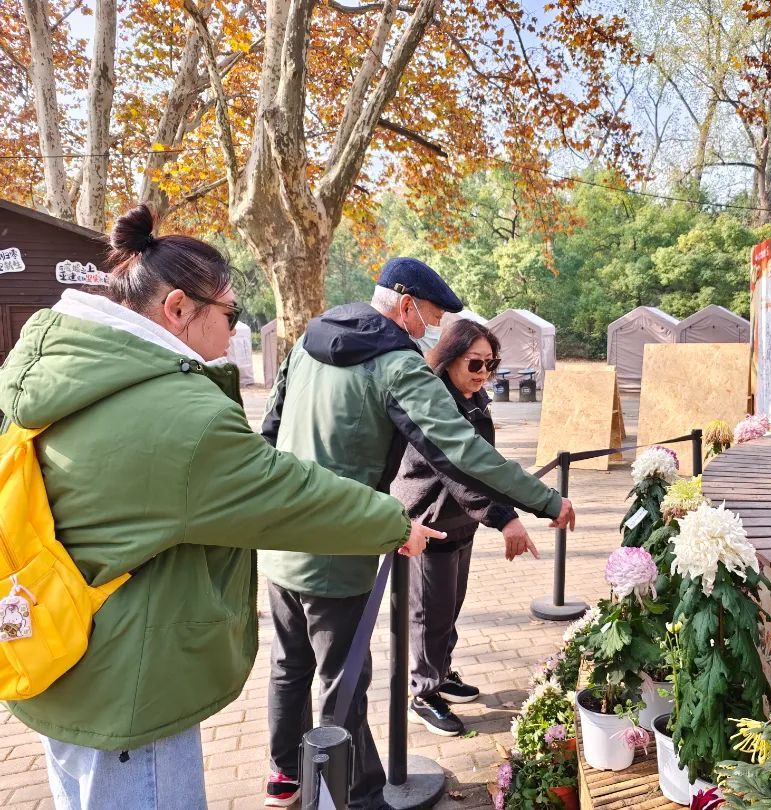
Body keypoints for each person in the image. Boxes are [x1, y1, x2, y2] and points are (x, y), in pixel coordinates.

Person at [0, 206, 441, 810]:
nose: (234, 329)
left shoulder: (55, 368)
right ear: (179, 308)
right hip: (130, 685)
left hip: (56, 647)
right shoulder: (178, 413)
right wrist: (393, 523)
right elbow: (286, 493)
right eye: (230, 313)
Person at [260, 257, 575, 809]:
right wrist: (545, 499)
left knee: (289, 665)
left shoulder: (307, 341)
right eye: (429, 317)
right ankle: (358, 798)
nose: (430, 330)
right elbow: (462, 450)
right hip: (339, 547)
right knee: (343, 684)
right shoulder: (395, 363)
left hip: (283, 537)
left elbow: (269, 428)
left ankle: (285, 776)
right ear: (405, 304)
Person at [390, 319, 538, 737]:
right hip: (428, 523)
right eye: (475, 364)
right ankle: (424, 692)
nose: (483, 373)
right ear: (450, 358)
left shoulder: (474, 398)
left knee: (449, 608)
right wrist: (504, 517)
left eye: (490, 364)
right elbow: (459, 471)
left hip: (460, 522)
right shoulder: (434, 402)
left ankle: (441, 672)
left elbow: (487, 466)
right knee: (428, 615)